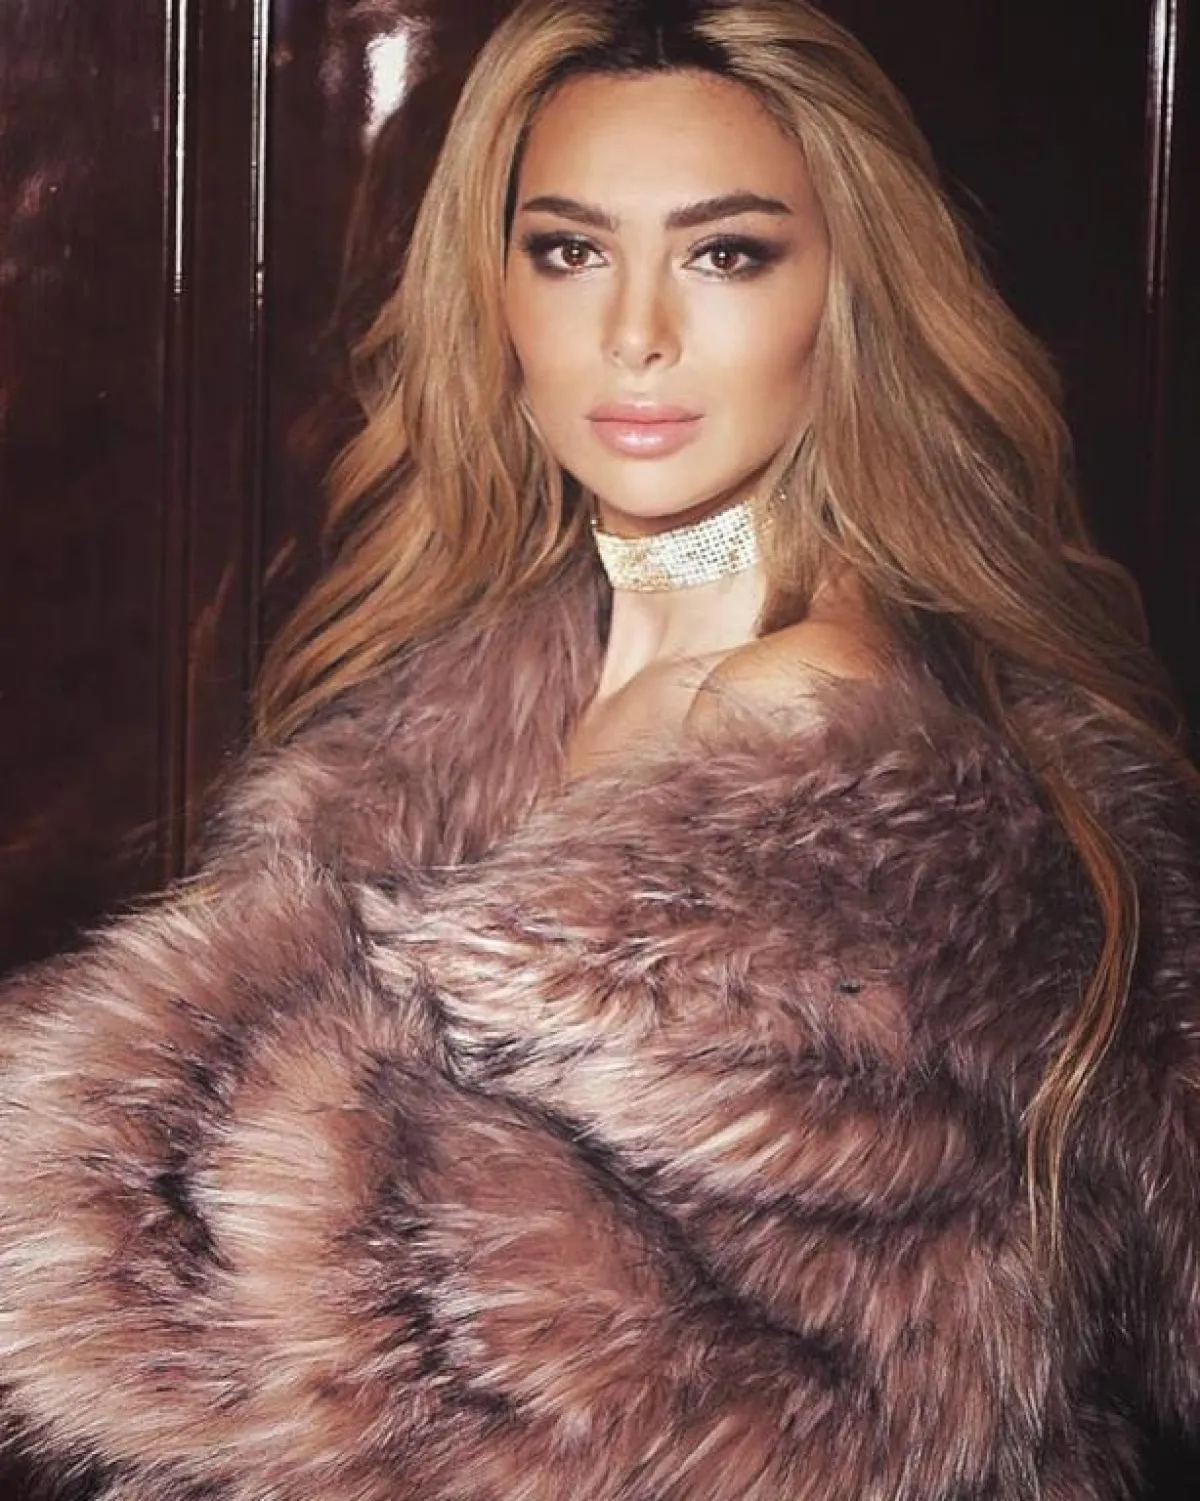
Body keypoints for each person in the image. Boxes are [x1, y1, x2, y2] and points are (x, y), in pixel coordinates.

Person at [1, 1, 1197, 1497]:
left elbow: (660, 1404)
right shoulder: (480, 684)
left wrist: (103, 1133)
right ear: (494, 292)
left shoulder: (816, 730)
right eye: (569, 250)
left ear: (849, 297)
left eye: (726, 254)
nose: (635, 333)